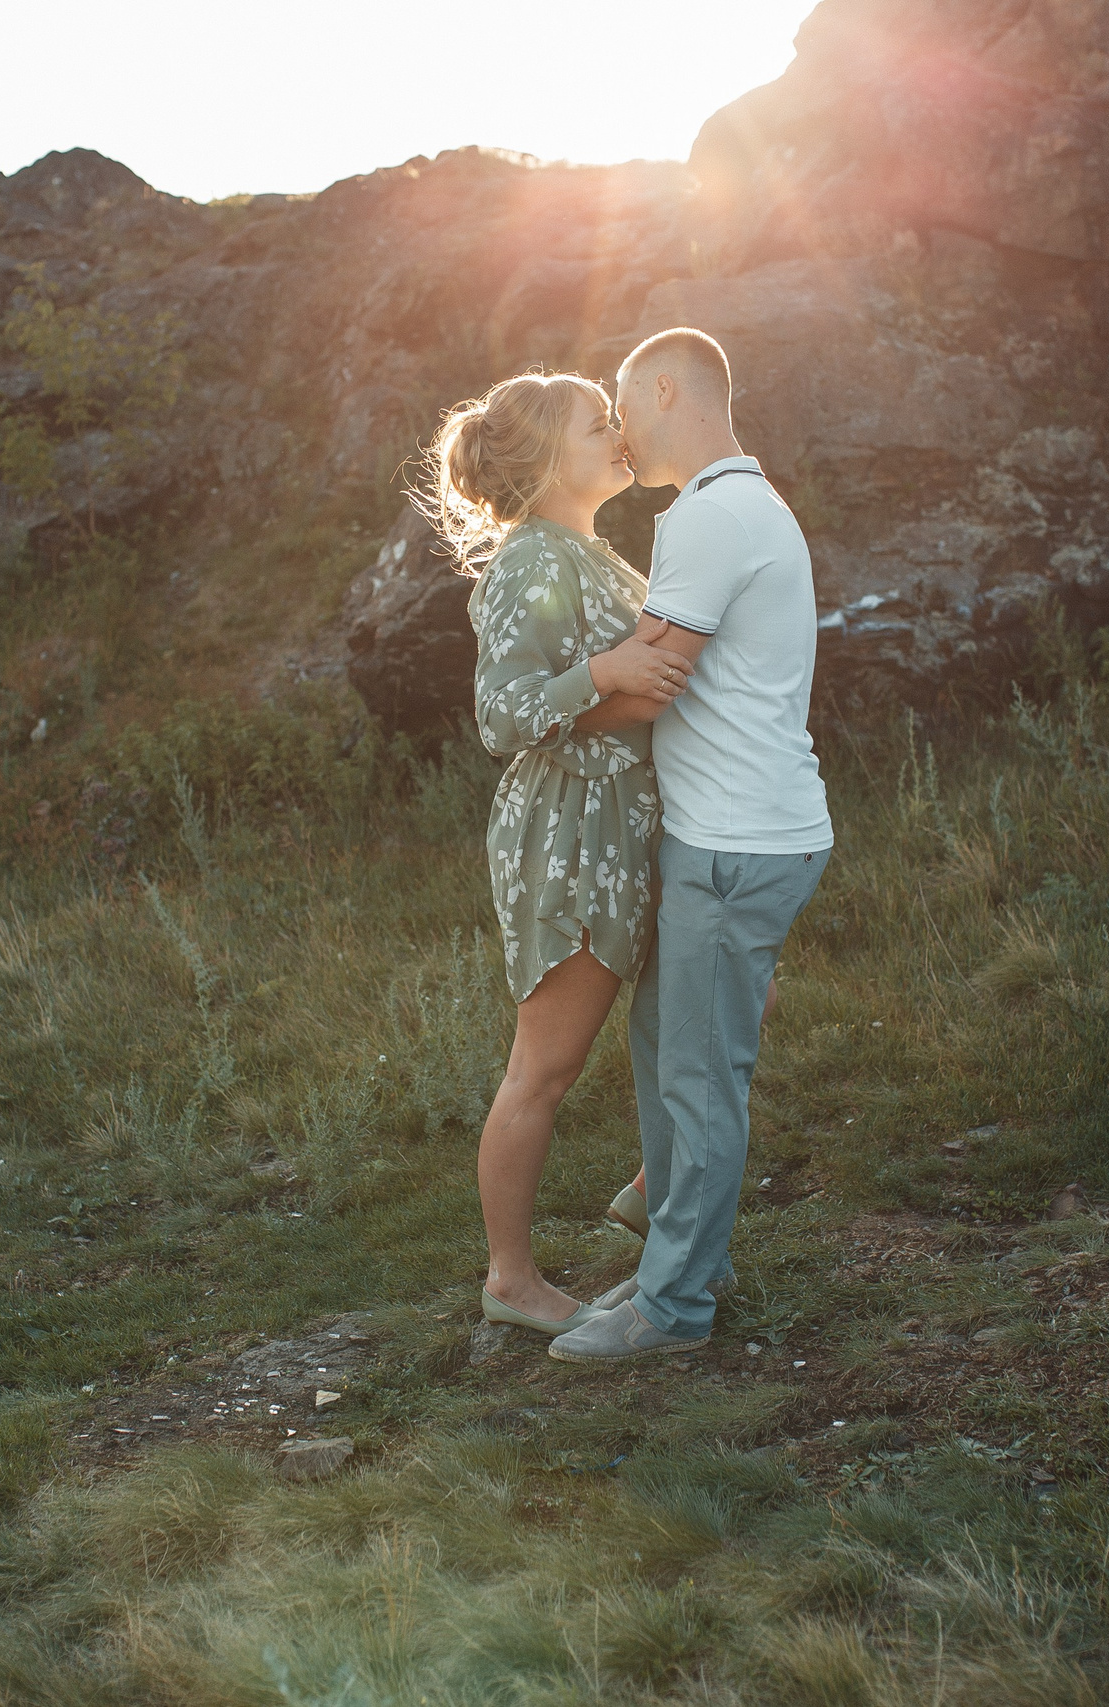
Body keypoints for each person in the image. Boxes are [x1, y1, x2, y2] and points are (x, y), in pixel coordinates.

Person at [549, 327, 831, 1365]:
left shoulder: (710, 515)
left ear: (666, 387)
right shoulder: (735, 507)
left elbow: (648, 680)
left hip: (736, 847)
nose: (620, 424)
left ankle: (673, 1313)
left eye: (627, 400)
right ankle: (683, 1261)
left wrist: (537, 721)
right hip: (726, 837)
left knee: (700, 1080)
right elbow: (647, 671)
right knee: (669, 1055)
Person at [433, 371, 692, 1335]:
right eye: (599, 424)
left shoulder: (592, 552)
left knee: (728, 993)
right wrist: (608, 671)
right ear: (547, 460)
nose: (620, 433)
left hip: (636, 818)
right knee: (545, 1067)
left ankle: (655, 1193)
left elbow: (644, 691)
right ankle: (510, 1278)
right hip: (573, 836)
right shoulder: (531, 559)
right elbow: (503, 713)